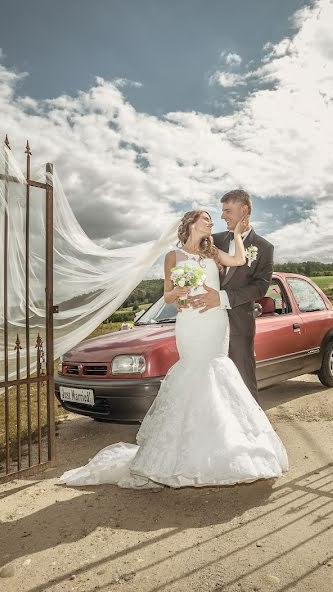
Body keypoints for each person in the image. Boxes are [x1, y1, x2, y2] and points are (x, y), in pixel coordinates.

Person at [57, 208, 288, 489]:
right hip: (190, 323)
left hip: (215, 323)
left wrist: (238, 235)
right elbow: (168, 293)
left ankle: (225, 445)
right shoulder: (172, 257)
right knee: (193, 373)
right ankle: (181, 452)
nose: (212, 223)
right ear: (191, 223)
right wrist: (176, 294)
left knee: (216, 372)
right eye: (206, 220)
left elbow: (239, 260)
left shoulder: (213, 252)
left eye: (213, 221)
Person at [187, 189, 274, 405]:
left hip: (238, 325)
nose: (223, 216)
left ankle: (252, 433)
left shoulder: (264, 247)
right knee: (209, 381)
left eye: (227, 210)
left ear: (244, 210)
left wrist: (222, 298)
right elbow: (189, 266)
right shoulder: (212, 240)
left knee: (243, 381)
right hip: (205, 322)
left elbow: (260, 288)